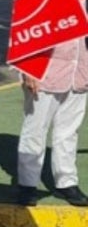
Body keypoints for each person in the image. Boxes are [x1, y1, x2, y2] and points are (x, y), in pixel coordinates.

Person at [15, 35, 88, 207]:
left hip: (80, 73)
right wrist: (28, 69)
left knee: (69, 132)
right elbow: (25, 31)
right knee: (35, 130)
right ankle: (27, 184)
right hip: (45, 73)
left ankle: (67, 182)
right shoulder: (43, 5)